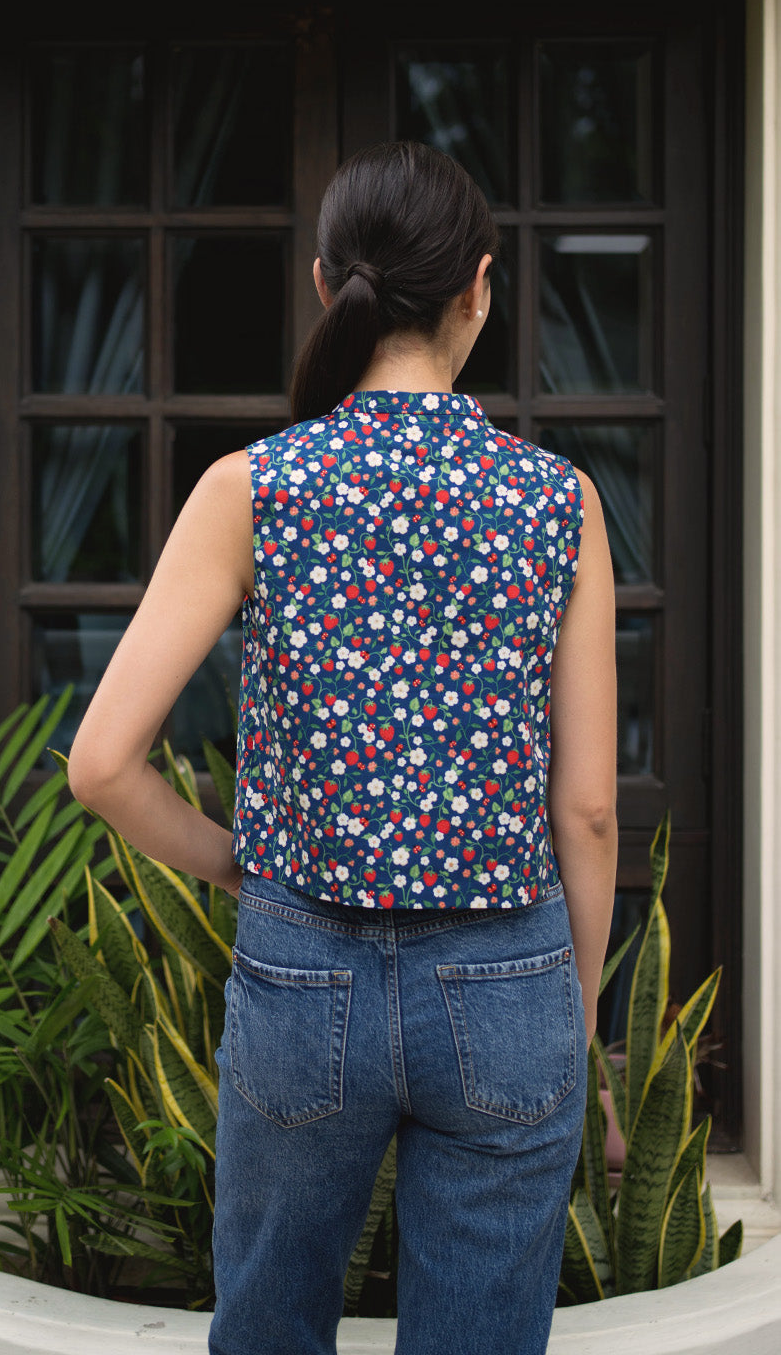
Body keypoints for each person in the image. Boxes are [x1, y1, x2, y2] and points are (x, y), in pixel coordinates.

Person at [68, 140, 618, 1355]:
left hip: (300, 969)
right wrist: (572, 1015)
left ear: (328, 285)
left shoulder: (252, 487)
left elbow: (100, 764)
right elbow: (585, 811)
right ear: (480, 286)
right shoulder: (555, 499)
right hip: (508, 977)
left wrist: (239, 865)